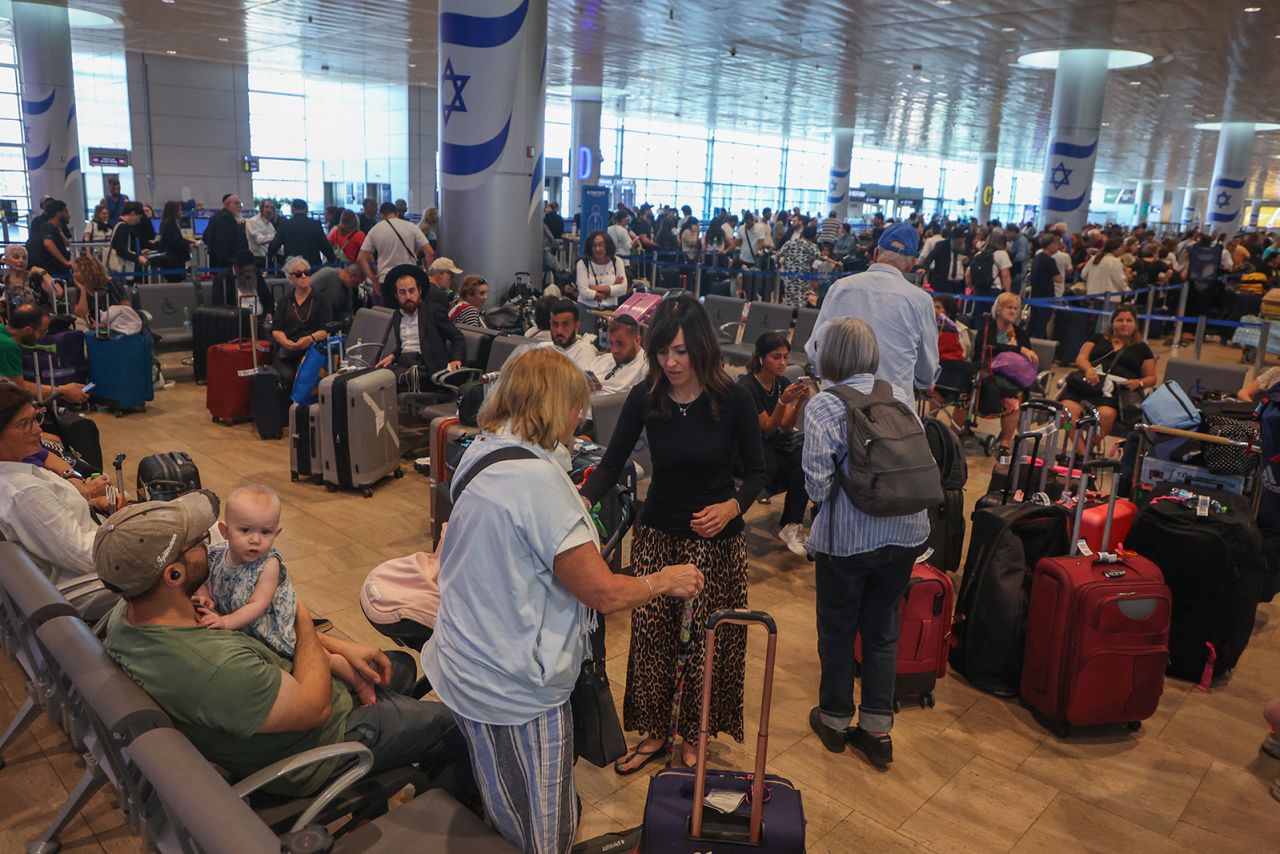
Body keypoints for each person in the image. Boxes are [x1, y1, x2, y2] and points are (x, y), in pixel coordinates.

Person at [423, 346, 702, 852]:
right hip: (515, 687)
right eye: (576, 406)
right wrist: (664, 580)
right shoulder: (535, 483)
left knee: (503, 796)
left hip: (465, 659)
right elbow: (602, 590)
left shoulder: (480, 452)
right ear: (554, 405)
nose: (581, 417)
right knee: (543, 825)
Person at [95, 490, 474, 799]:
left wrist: (341, 647)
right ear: (173, 573)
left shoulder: (135, 614)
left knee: (397, 665)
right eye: (197, 541)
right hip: (317, 747)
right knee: (462, 728)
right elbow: (316, 707)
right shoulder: (212, 669)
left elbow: (258, 629)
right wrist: (300, 611)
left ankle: (414, 746)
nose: (208, 544)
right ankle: (445, 812)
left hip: (281, 701)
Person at [581, 295, 766, 772]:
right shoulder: (648, 395)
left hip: (716, 543)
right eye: (663, 351)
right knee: (653, 640)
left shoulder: (734, 398)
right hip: (659, 535)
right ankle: (656, 732)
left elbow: (759, 474)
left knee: (708, 644)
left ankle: (696, 731)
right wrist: (578, 502)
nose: (671, 362)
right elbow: (612, 462)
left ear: (701, 347)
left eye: (681, 351)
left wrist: (731, 507)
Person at [803, 316, 929, 769]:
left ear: (829, 354)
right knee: (882, 630)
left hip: (848, 541)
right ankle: (877, 731)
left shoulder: (822, 406)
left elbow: (817, 488)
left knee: (838, 629)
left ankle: (835, 720)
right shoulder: (897, 394)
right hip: (907, 531)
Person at [194, 485, 377, 705]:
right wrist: (205, 595)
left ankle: (360, 684)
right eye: (245, 530)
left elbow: (258, 605)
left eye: (265, 532)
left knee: (321, 657)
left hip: (271, 624)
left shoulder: (268, 564)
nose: (255, 540)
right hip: (244, 624)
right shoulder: (215, 556)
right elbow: (204, 578)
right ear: (224, 531)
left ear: (276, 533)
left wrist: (225, 621)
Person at [0, 383, 119, 586]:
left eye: (36, 418)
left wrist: (92, 505)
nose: (38, 429)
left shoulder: (21, 466)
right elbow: (85, 558)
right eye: (24, 423)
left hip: (98, 554)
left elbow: (55, 526)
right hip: (92, 583)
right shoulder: (25, 493)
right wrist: (127, 534)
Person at [807, 222, 940, 396]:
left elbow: (814, 352)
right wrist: (924, 382)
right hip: (891, 412)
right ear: (912, 264)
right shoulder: (920, 300)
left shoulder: (840, 287)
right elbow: (926, 372)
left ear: (876, 253)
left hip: (837, 403)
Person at [738, 331, 812, 556]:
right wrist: (782, 401)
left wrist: (798, 402)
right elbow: (768, 427)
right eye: (776, 357)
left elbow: (787, 426)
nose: (783, 363)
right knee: (787, 464)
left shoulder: (782, 383)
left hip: (774, 445)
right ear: (761, 358)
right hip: (749, 448)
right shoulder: (747, 386)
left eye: (785, 357)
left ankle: (791, 525)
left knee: (806, 461)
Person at [1059, 304, 1156, 450]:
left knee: (1106, 415)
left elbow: (1152, 378)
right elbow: (1081, 358)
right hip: (1086, 385)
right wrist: (1089, 370)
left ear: (1135, 324)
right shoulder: (1097, 338)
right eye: (1120, 320)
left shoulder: (1142, 348)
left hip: (1112, 395)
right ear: (1112, 322)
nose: (1124, 324)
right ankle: (1081, 453)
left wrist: (1139, 382)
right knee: (1066, 412)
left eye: (1129, 320)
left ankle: (1086, 450)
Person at [374, 265, 464, 388]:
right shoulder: (397, 315)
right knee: (373, 376)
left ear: (419, 291)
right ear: (396, 295)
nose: (408, 297)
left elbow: (457, 337)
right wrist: (393, 355)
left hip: (428, 368)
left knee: (382, 383)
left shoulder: (433, 312)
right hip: (405, 364)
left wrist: (456, 359)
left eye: (412, 291)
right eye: (402, 292)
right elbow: (404, 345)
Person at [974, 292, 1038, 456]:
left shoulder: (1021, 334)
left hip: (1012, 379)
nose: (1012, 311)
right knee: (968, 390)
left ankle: (1004, 444)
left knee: (1015, 397)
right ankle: (956, 431)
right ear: (999, 310)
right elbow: (989, 347)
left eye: (1015, 309)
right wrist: (1018, 350)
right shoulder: (988, 327)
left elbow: (1027, 359)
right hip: (986, 374)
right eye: (1009, 307)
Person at [1, 305, 90, 404]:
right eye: (43, 331)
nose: (44, 336)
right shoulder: (8, 346)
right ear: (27, 330)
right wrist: (62, 391)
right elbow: (18, 389)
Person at [271, 256, 332, 383]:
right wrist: (285, 341)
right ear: (290, 277)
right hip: (289, 348)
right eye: (299, 274)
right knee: (285, 376)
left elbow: (326, 329)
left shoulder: (321, 300)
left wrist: (310, 339)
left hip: (313, 348)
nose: (304, 276)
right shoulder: (284, 301)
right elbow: (276, 329)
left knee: (304, 374)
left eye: (307, 272)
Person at [359, 202, 431, 288]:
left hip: (385, 279)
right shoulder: (412, 227)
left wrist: (374, 280)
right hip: (409, 277)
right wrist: (427, 275)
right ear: (396, 213)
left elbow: (361, 258)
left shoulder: (375, 230)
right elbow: (430, 253)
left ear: (381, 215)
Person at [587, 314, 647, 398]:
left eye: (620, 344)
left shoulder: (646, 367)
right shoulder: (601, 360)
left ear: (637, 341)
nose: (614, 350)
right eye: (611, 343)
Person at [267, 200, 336, 268]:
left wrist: (269, 260)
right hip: (313, 267)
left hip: (293, 267)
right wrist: (332, 261)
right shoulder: (315, 224)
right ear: (306, 209)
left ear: (292, 209)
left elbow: (274, 246)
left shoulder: (285, 225)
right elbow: (325, 246)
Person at [216, 249, 275, 320]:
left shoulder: (257, 275)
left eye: (252, 270)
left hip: (261, 321)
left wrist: (269, 313)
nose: (250, 274)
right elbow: (219, 307)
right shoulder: (223, 280)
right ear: (237, 269)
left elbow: (268, 299)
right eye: (246, 271)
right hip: (237, 323)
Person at [576, 231, 628, 309]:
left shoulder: (617, 262)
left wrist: (595, 288)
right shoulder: (583, 263)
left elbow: (623, 289)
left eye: (600, 245)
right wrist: (612, 288)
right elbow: (584, 293)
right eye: (594, 246)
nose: (597, 249)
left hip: (610, 308)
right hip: (586, 308)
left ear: (607, 246)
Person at [1026, 233, 1064, 339]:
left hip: (1035, 293)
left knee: (1033, 321)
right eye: (1056, 243)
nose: (1058, 246)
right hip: (1046, 295)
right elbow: (1058, 279)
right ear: (1050, 245)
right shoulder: (1049, 260)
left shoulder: (1038, 257)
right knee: (1041, 323)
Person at [3, 245, 60, 312]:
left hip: (40, 318)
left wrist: (43, 272)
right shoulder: (3, 281)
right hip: (12, 320)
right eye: (16, 257)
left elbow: (58, 293)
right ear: (6, 260)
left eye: (24, 258)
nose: (21, 260)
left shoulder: (35, 277)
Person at [547, 298, 598, 372]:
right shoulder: (544, 348)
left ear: (576, 326)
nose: (559, 331)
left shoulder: (584, 351)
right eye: (555, 325)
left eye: (565, 325)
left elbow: (580, 383)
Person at [105, 202, 151, 278]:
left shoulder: (120, 225)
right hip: (122, 269)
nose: (139, 221)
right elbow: (121, 250)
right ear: (132, 214)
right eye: (138, 217)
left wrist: (139, 252)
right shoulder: (123, 227)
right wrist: (138, 257)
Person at [777, 223, 820, 307]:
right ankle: (798, 318)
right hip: (803, 278)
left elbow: (778, 255)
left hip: (789, 276)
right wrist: (836, 262)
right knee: (801, 301)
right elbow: (821, 257)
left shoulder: (790, 243)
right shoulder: (811, 246)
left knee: (789, 299)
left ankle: (789, 317)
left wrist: (780, 266)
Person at [202, 194, 248, 269]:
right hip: (226, 263)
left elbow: (205, 237)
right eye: (236, 203)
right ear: (227, 205)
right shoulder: (227, 218)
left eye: (240, 203)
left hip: (214, 261)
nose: (239, 206)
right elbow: (227, 242)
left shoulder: (215, 217)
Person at [30, 199, 74, 278]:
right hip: (52, 272)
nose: (69, 215)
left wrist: (60, 231)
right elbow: (48, 243)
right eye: (66, 212)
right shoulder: (47, 227)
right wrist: (66, 262)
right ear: (58, 214)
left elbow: (67, 243)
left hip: (60, 271)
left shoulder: (56, 229)